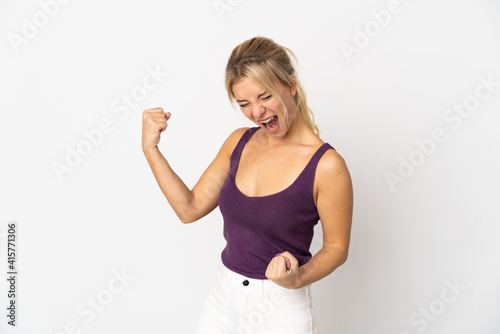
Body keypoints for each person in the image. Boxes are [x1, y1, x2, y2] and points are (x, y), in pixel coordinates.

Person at [141, 36, 353, 333]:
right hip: (222, 298)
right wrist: (151, 150)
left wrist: (297, 278)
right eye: (244, 103)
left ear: (291, 85)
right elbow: (188, 209)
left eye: (265, 97)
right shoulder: (239, 142)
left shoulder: (327, 165)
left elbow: (336, 248)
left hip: (280, 307)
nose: (256, 112)